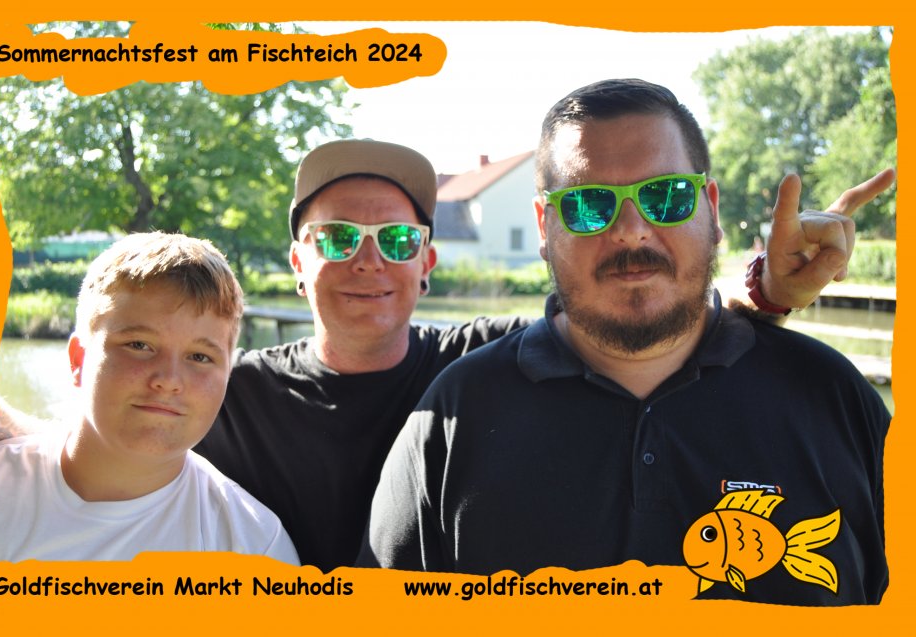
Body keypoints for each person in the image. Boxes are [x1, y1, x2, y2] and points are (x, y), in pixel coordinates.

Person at [0, 138, 891, 572]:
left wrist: (763, 291)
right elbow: (109, 429)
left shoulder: (484, 367)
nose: (367, 261)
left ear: (428, 260)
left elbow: (620, 316)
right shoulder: (227, 386)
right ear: (298, 262)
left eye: (394, 239)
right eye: (338, 240)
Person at [358, 80, 891, 606]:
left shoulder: (833, 397)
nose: (631, 230)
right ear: (544, 226)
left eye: (666, 196)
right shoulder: (454, 418)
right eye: (589, 205)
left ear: (710, 209)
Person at [0, 232, 299, 564]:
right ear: (78, 359)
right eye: (139, 346)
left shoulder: (253, 548)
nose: (169, 380)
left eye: (200, 357)